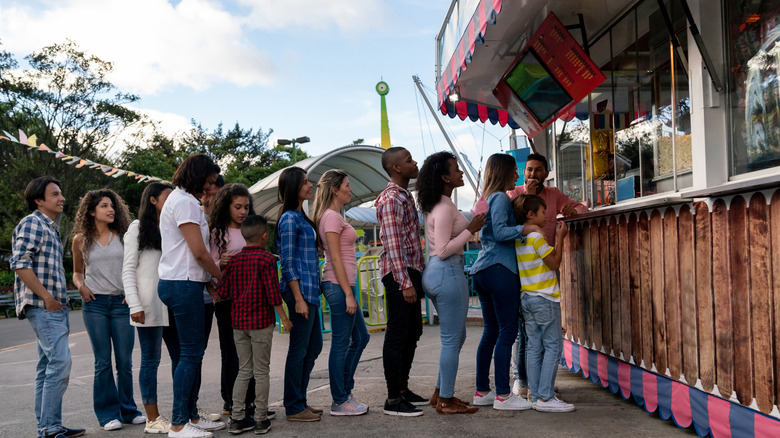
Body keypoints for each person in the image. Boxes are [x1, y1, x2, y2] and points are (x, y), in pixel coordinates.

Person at [506, 153, 587, 397]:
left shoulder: (553, 195)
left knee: (538, 337)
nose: (533, 174)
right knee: (527, 335)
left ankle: (539, 383)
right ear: (523, 172)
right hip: (524, 269)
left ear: (546, 172)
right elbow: (507, 223)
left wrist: (574, 209)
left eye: (538, 170)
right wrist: (526, 196)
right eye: (529, 170)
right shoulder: (513, 195)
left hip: (545, 272)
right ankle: (523, 381)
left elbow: (581, 208)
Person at [10, 176, 85, 438]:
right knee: (60, 362)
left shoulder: (50, 227)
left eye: (61, 194)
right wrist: (47, 298)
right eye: (55, 194)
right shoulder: (32, 222)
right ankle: (50, 428)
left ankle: (48, 425)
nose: (62, 198)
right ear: (39, 201)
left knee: (47, 367)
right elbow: (19, 263)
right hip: (44, 306)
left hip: (54, 306)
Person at [158, 153, 226, 438]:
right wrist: (218, 276)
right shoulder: (184, 203)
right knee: (190, 354)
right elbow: (198, 252)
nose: (212, 188)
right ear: (198, 178)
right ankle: (177, 424)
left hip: (184, 283)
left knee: (188, 355)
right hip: (182, 284)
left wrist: (206, 280)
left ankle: (191, 417)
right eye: (210, 182)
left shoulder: (185, 201)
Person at [417, 152, 485, 415]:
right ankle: (446, 399)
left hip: (437, 274)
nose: (461, 173)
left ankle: (439, 392)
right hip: (447, 271)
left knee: (455, 337)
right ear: (445, 177)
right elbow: (444, 249)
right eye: (456, 170)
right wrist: (471, 229)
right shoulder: (444, 208)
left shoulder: (438, 205)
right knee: (452, 339)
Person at [71, 188, 144, 431]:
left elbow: (136, 268)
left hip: (122, 304)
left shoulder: (124, 236)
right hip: (95, 305)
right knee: (102, 361)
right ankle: (107, 415)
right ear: (92, 211)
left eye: (112, 205)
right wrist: (80, 286)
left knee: (124, 362)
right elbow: (77, 272)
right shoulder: (80, 240)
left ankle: (128, 410)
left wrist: (133, 293)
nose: (110, 209)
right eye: (103, 205)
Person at [469, 153, 536, 411]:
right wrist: (524, 229)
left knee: (491, 332)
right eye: (514, 172)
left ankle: (483, 391)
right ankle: (504, 395)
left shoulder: (487, 198)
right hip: (500, 269)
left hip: (483, 270)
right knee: (508, 331)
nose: (518, 176)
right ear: (503, 173)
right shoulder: (499, 198)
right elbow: (500, 231)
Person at [218, 215, 292, 435]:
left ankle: (238, 418)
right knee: (261, 372)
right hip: (260, 323)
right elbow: (273, 295)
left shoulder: (234, 261)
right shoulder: (267, 260)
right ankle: (260, 419)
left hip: (239, 324)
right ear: (264, 236)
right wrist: (284, 319)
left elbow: (223, 292)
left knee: (244, 371)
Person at [122, 182, 180, 434]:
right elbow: (127, 269)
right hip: (148, 304)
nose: (173, 201)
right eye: (168, 197)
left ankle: (186, 411)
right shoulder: (137, 228)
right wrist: (134, 303)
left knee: (182, 358)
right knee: (150, 361)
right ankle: (152, 418)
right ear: (153, 200)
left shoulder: (172, 226)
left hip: (174, 302)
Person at [312, 169, 371, 416]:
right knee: (341, 343)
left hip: (343, 285)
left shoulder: (334, 216)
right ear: (335, 189)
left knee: (361, 338)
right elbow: (334, 257)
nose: (350, 189)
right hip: (338, 286)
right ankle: (339, 399)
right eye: (347, 185)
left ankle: (344, 391)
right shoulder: (331, 218)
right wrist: (348, 293)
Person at [375, 147, 428, 417]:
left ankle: (403, 389)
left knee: (412, 333)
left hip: (409, 271)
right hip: (400, 274)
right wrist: (405, 281)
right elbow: (393, 244)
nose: (414, 162)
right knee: (397, 335)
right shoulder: (391, 198)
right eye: (409, 160)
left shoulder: (404, 196)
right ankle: (393, 398)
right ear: (397, 168)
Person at [512, 194, 575, 412]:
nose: (546, 215)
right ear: (531, 214)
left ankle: (537, 395)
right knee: (553, 346)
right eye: (542, 211)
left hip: (527, 298)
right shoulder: (537, 238)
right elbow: (554, 263)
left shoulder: (519, 239)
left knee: (533, 346)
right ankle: (547, 398)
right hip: (545, 298)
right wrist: (561, 238)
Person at [207, 183, 259, 421]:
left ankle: (252, 402)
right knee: (232, 352)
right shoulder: (217, 233)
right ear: (226, 206)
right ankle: (232, 401)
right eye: (237, 207)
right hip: (227, 299)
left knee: (252, 352)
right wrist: (221, 264)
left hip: (253, 299)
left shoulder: (251, 230)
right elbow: (207, 266)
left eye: (246, 207)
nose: (243, 211)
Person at [276, 167, 324, 422]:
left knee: (313, 346)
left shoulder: (301, 217)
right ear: (294, 187)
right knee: (299, 349)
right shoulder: (289, 220)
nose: (310, 185)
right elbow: (287, 262)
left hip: (310, 292)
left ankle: (300, 400)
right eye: (305, 182)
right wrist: (298, 299)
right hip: (300, 293)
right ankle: (294, 406)